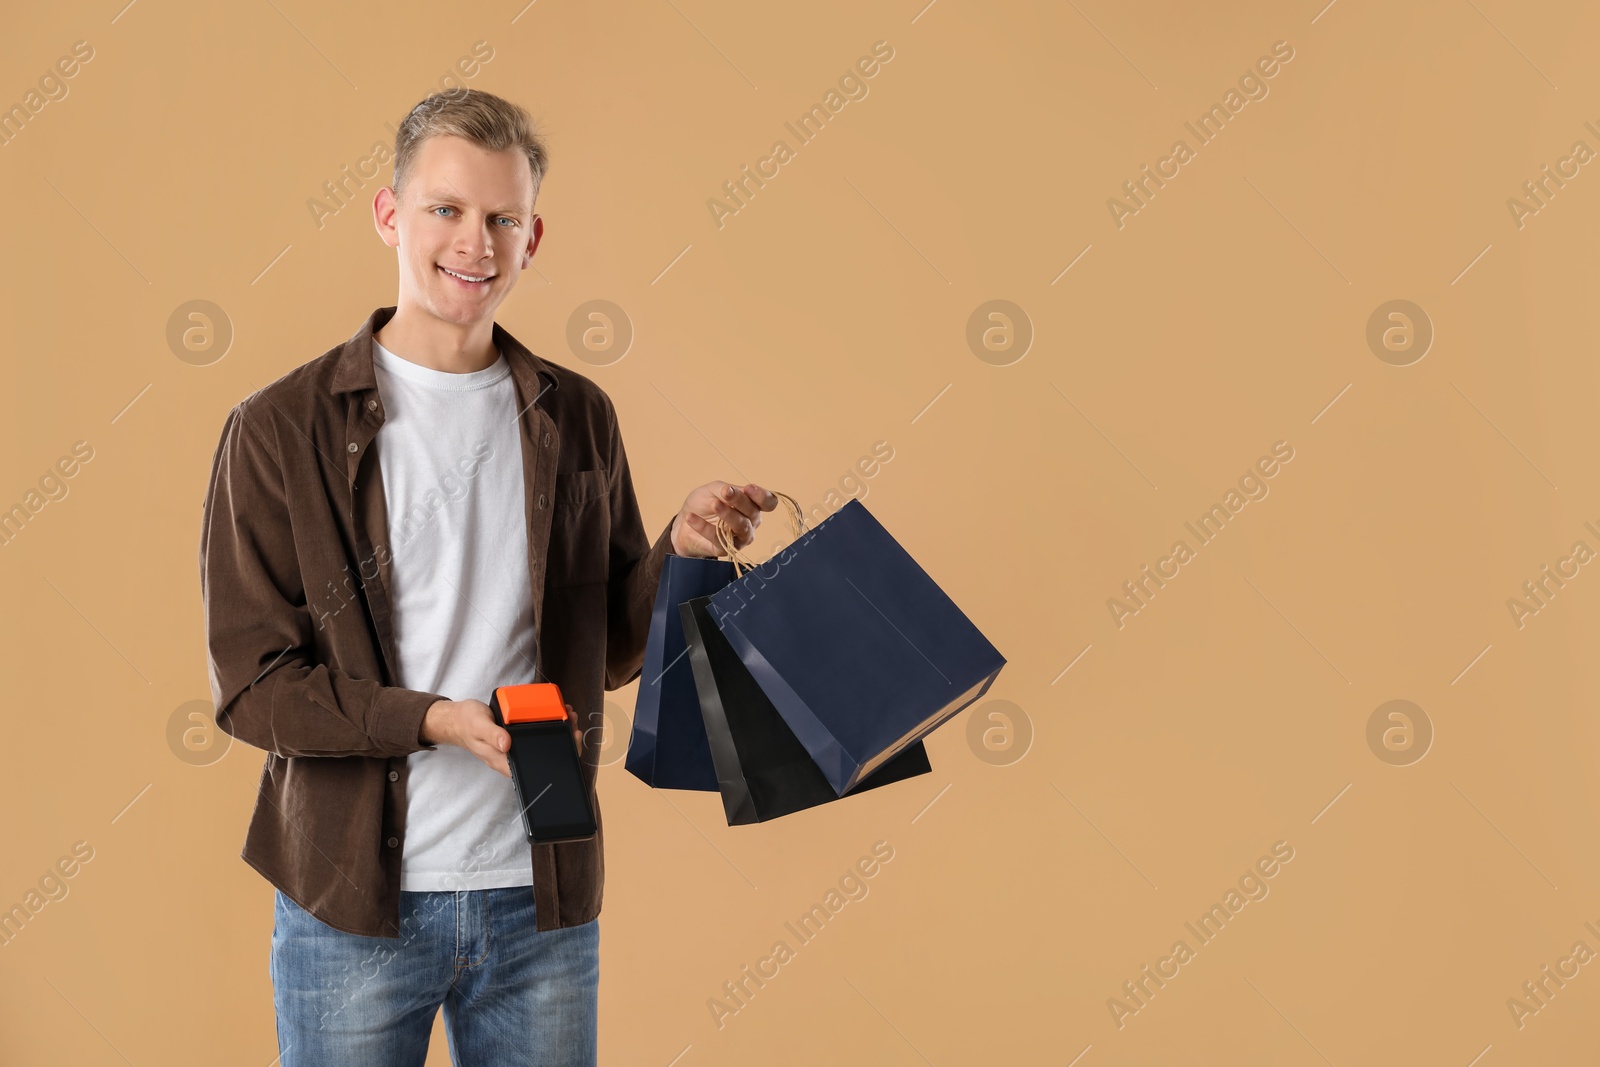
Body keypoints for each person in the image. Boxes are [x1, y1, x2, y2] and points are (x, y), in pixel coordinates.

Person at [198, 87, 775, 1066]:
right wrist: (432, 718)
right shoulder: (280, 425)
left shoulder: (574, 414)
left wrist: (678, 548)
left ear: (532, 235)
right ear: (389, 215)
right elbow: (253, 686)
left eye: (502, 217)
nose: (475, 241)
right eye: (446, 209)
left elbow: (613, 646)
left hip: (537, 892)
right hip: (351, 902)